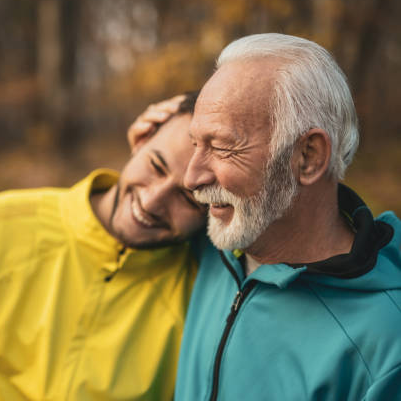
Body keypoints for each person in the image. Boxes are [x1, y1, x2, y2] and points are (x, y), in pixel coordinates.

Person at [0, 92, 207, 400]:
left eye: (188, 197)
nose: (153, 201)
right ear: (140, 139)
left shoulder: (205, 290)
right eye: (156, 165)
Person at [169, 33, 401, 400]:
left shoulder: (387, 346)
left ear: (308, 157)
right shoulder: (215, 241)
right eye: (196, 143)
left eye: (223, 147)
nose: (192, 178)